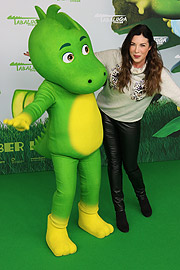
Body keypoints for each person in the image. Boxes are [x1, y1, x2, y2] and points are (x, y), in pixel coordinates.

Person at [95, 24, 180, 233]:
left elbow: (178, 96)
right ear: (127, 44)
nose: (136, 50)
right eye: (133, 44)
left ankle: (142, 196)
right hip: (105, 115)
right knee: (114, 163)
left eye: (142, 45)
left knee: (130, 165)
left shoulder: (158, 73)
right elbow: (83, 62)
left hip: (130, 121)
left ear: (150, 47)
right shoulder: (114, 57)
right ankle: (120, 210)